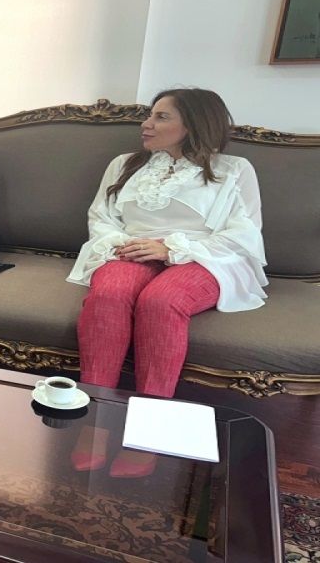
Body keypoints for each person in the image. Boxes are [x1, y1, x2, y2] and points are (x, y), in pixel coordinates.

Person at [66, 88, 267, 477]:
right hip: (131, 248)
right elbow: (100, 217)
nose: (146, 124)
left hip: (206, 256)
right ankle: (96, 419)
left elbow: (242, 233)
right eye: (150, 114)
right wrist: (123, 244)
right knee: (109, 294)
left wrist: (171, 248)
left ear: (193, 124)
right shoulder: (124, 164)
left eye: (161, 117)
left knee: (161, 300)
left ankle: (152, 427)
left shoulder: (234, 169)